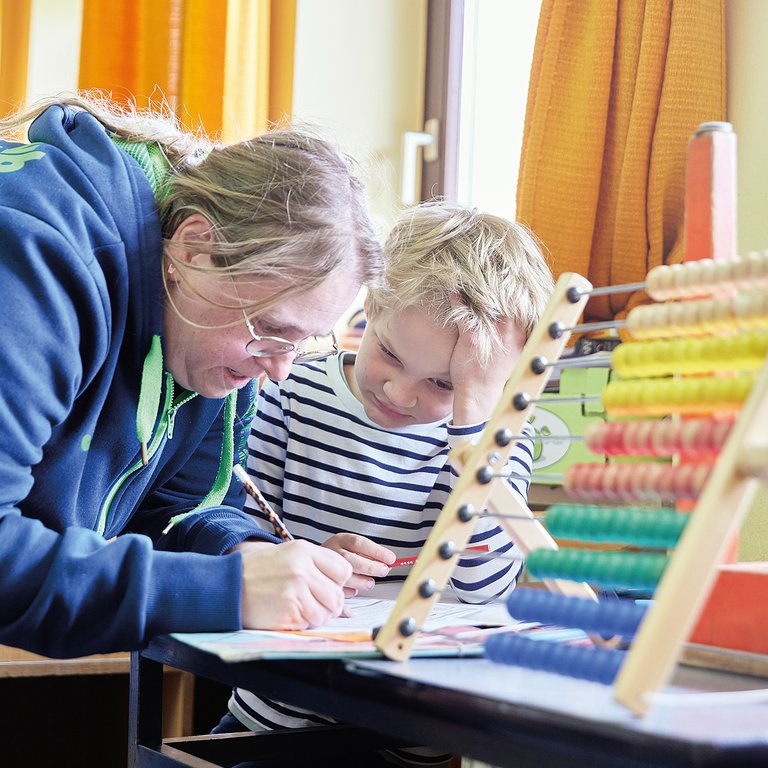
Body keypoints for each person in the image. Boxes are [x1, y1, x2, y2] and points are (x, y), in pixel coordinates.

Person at [0, 92, 384, 659]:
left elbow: (176, 510)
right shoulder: (39, 262)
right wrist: (227, 592)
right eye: (273, 329)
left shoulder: (209, 335)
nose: (278, 371)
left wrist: (242, 555)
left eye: (301, 344)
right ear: (196, 245)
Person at [219, 201, 556, 765]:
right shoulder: (286, 394)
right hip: (279, 718)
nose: (401, 393)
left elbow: (487, 585)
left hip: (414, 730)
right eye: (391, 354)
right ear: (370, 303)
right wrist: (302, 556)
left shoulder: (497, 444)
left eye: (444, 383)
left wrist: (472, 421)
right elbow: (236, 537)